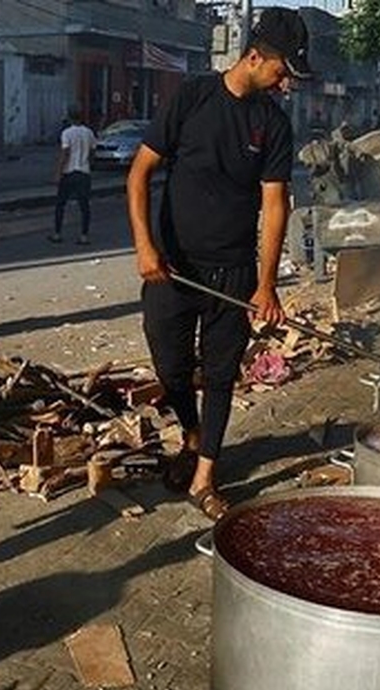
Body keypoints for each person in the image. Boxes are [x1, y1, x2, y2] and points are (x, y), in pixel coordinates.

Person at [125, 7, 309, 521]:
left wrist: (266, 285)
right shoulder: (191, 98)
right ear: (255, 56)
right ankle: (191, 432)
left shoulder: (272, 122)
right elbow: (139, 173)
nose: (285, 80)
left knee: (223, 374)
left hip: (233, 271)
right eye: (282, 69)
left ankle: (204, 476)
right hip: (173, 268)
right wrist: (145, 247)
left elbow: (275, 205)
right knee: (171, 367)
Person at [48, 107, 96, 244]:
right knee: (84, 206)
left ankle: (57, 234)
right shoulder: (89, 133)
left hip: (69, 173)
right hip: (84, 172)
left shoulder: (67, 133)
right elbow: (93, 152)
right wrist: (89, 164)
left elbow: (65, 153)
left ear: (69, 117)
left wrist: (58, 172)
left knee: (60, 204)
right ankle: (84, 236)